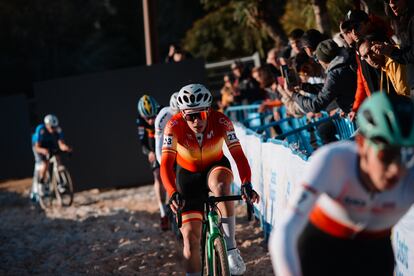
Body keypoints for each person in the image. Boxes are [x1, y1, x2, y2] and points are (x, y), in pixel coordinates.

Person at [269, 92, 414, 276]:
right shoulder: (333, 160)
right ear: (361, 144)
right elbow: (285, 232)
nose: (396, 169)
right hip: (319, 251)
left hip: (374, 253)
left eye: (408, 156)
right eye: (386, 156)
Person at [160, 84, 260, 276]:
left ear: (209, 111)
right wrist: (172, 193)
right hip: (187, 176)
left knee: (222, 186)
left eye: (201, 115)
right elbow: (165, 164)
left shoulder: (222, 121)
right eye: (190, 116)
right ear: (182, 114)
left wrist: (246, 182)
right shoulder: (173, 126)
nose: (196, 121)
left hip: (215, 167)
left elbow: (238, 155)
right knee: (190, 240)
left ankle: (230, 249)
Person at [137, 95, 169, 231]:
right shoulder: (140, 121)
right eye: (147, 118)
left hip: (167, 143)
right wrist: (149, 152)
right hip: (153, 148)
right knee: (158, 176)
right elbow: (142, 142)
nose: (151, 120)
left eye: (153, 116)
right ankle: (163, 212)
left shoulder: (163, 112)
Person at [31, 114, 72, 200]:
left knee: (57, 157)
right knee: (45, 163)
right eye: (52, 127)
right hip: (39, 146)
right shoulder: (41, 130)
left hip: (50, 145)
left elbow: (61, 144)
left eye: (54, 127)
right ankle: (41, 184)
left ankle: (60, 182)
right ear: (47, 125)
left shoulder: (58, 129)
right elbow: (37, 147)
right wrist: (44, 151)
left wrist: (66, 148)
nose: (53, 129)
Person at [154, 92, 179, 164]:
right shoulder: (163, 117)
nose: (178, 115)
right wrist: (162, 163)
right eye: (176, 112)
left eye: (180, 112)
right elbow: (158, 143)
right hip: (166, 137)